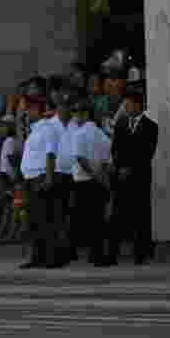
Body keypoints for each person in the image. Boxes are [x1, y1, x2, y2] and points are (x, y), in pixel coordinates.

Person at [103, 91, 158, 265]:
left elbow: (147, 152)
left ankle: (141, 253)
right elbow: (115, 149)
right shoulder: (121, 124)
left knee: (140, 214)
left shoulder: (151, 126)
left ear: (137, 105)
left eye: (127, 104)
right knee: (117, 215)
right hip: (120, 176)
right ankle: (112, 254)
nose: (125, 108)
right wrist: (119, 167)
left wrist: (131, 168)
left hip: (140, 177)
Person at [19, 96, 64, 268]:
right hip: (30, 178)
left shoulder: (48, 128)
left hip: (41, 177)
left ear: (37, 110)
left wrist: (49, 177)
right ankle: (37, 257)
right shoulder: (34, 130)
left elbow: (50, 154)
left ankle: (51, 258)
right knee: (33, 221)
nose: (26, 113)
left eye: (29, 109)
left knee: (46, 220)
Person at [71, 99, 113, 265]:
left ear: (85, 114)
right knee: (98, 219)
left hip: (84, 181)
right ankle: (98, 253)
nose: (75, 117)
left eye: (77, 113)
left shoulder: (79, 134)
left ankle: (93, 254)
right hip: (99, 182)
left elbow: (81, 159)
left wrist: (94, 174)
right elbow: (107, 163)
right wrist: (103, 179)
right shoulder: (102, 135)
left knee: (87, 220)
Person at [51, 94, 79, 262]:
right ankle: (59, 249)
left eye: (67, 106)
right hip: (56, 173)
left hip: (74, 174)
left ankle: (70, 248)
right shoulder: (49, 125)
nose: (64, 109)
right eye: (61, 105)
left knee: (72, 212)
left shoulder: (76, 125)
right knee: (57, 213)